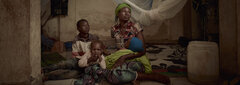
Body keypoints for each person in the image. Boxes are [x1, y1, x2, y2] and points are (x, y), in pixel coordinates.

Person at [106, 3, 170, 85]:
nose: (127, 14)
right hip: (120, 56)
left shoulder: (135, 27)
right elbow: (119, 48)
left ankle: (152, 76)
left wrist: (124, 57)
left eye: (129, 12)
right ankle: (137, 77)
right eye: (124, 11)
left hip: (135, 57)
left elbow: (143, 51)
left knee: (117, 73)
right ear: (118, 14)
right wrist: (120, 56)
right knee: (110, 69)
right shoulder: (114, 29)